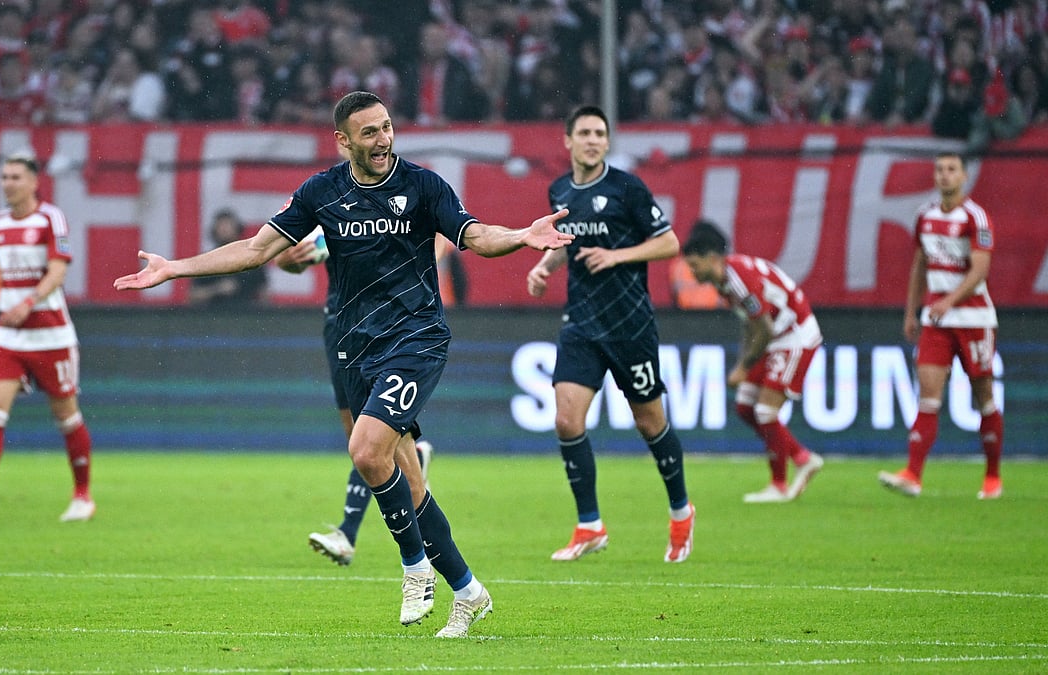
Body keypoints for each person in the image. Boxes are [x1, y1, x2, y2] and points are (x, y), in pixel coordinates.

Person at [115, 91, 573, 637]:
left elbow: (475, 236)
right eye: (369, 132)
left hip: (416, 338)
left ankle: (415, 568)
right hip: (356, 349)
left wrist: (520, 235)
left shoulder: (423, 186)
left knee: (365, 450)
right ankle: (469, 591)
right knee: (407, 480)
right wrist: (174, 268)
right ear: (344, 140)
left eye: (387, 127)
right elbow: (257, 250)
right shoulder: (322, 192)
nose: (382, 140)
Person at [526, 105, 695, 564]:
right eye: (584, 133)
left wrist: (616, 256)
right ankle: (590, 525)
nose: (593, 140)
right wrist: (544, 266)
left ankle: (681, 511)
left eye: (600, 133)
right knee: (566, 421)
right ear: (568, 141)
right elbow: (568, 243)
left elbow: (669, 242)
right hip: (581, 323)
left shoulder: (627, 187)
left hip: (629, 325)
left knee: (650, 422)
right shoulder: (560, 190)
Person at [0, 153, 95, 523]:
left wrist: (28, 302)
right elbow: (2, 276)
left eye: (15, 177)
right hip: (9, 337)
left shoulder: (50, 218)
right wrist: (10, 305)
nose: (8, 183)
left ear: (33, 182)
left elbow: (57, 272)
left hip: (51, 336)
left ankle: (82, 496)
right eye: (4, 177)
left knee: (66, 417)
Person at [272, 234, 433, 567]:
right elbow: (282, 258)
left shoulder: (399, 204)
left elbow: (438, 242)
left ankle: (349, 534)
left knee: (370, 441)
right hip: (340, 323)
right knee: (358, 441)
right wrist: (293, 257)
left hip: (390, 322)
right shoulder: (319, 207)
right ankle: (414, 459)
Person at [880, 151, 1003, 500]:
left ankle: (992, 476)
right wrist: (911, 312)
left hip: (974, 319)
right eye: (939, 170)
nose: (945, 175)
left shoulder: (976, 217)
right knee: (928, 396)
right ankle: (912, 475)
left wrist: (949, 300)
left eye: (951, 169)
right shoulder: (925, 215)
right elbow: (920, 264)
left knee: (984, 397)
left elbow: (980, 269)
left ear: (963, 176)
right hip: (936, 320)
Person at [681, 220, 825, 503]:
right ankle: (802, 457)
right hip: (774, 338)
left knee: (765, 411)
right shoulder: (725, 281)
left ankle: (779, 485)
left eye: (695, 265)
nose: (692, 272)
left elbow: (764, 328)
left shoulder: (738, 281)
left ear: (713, 259)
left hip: (794, 336)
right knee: (745, 407)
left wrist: (743, 367)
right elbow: (751, 324)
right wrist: (742, 363)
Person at [188, 208, 267, 306]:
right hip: (213, 312)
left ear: (237, 229)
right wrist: (217, 289)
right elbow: (193, 295)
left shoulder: (252, 259)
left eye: (228, 225)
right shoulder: (205, 261)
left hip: (245, 312)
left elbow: (264, 294)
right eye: (221, 226)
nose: (225, 230)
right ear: (215, 230)